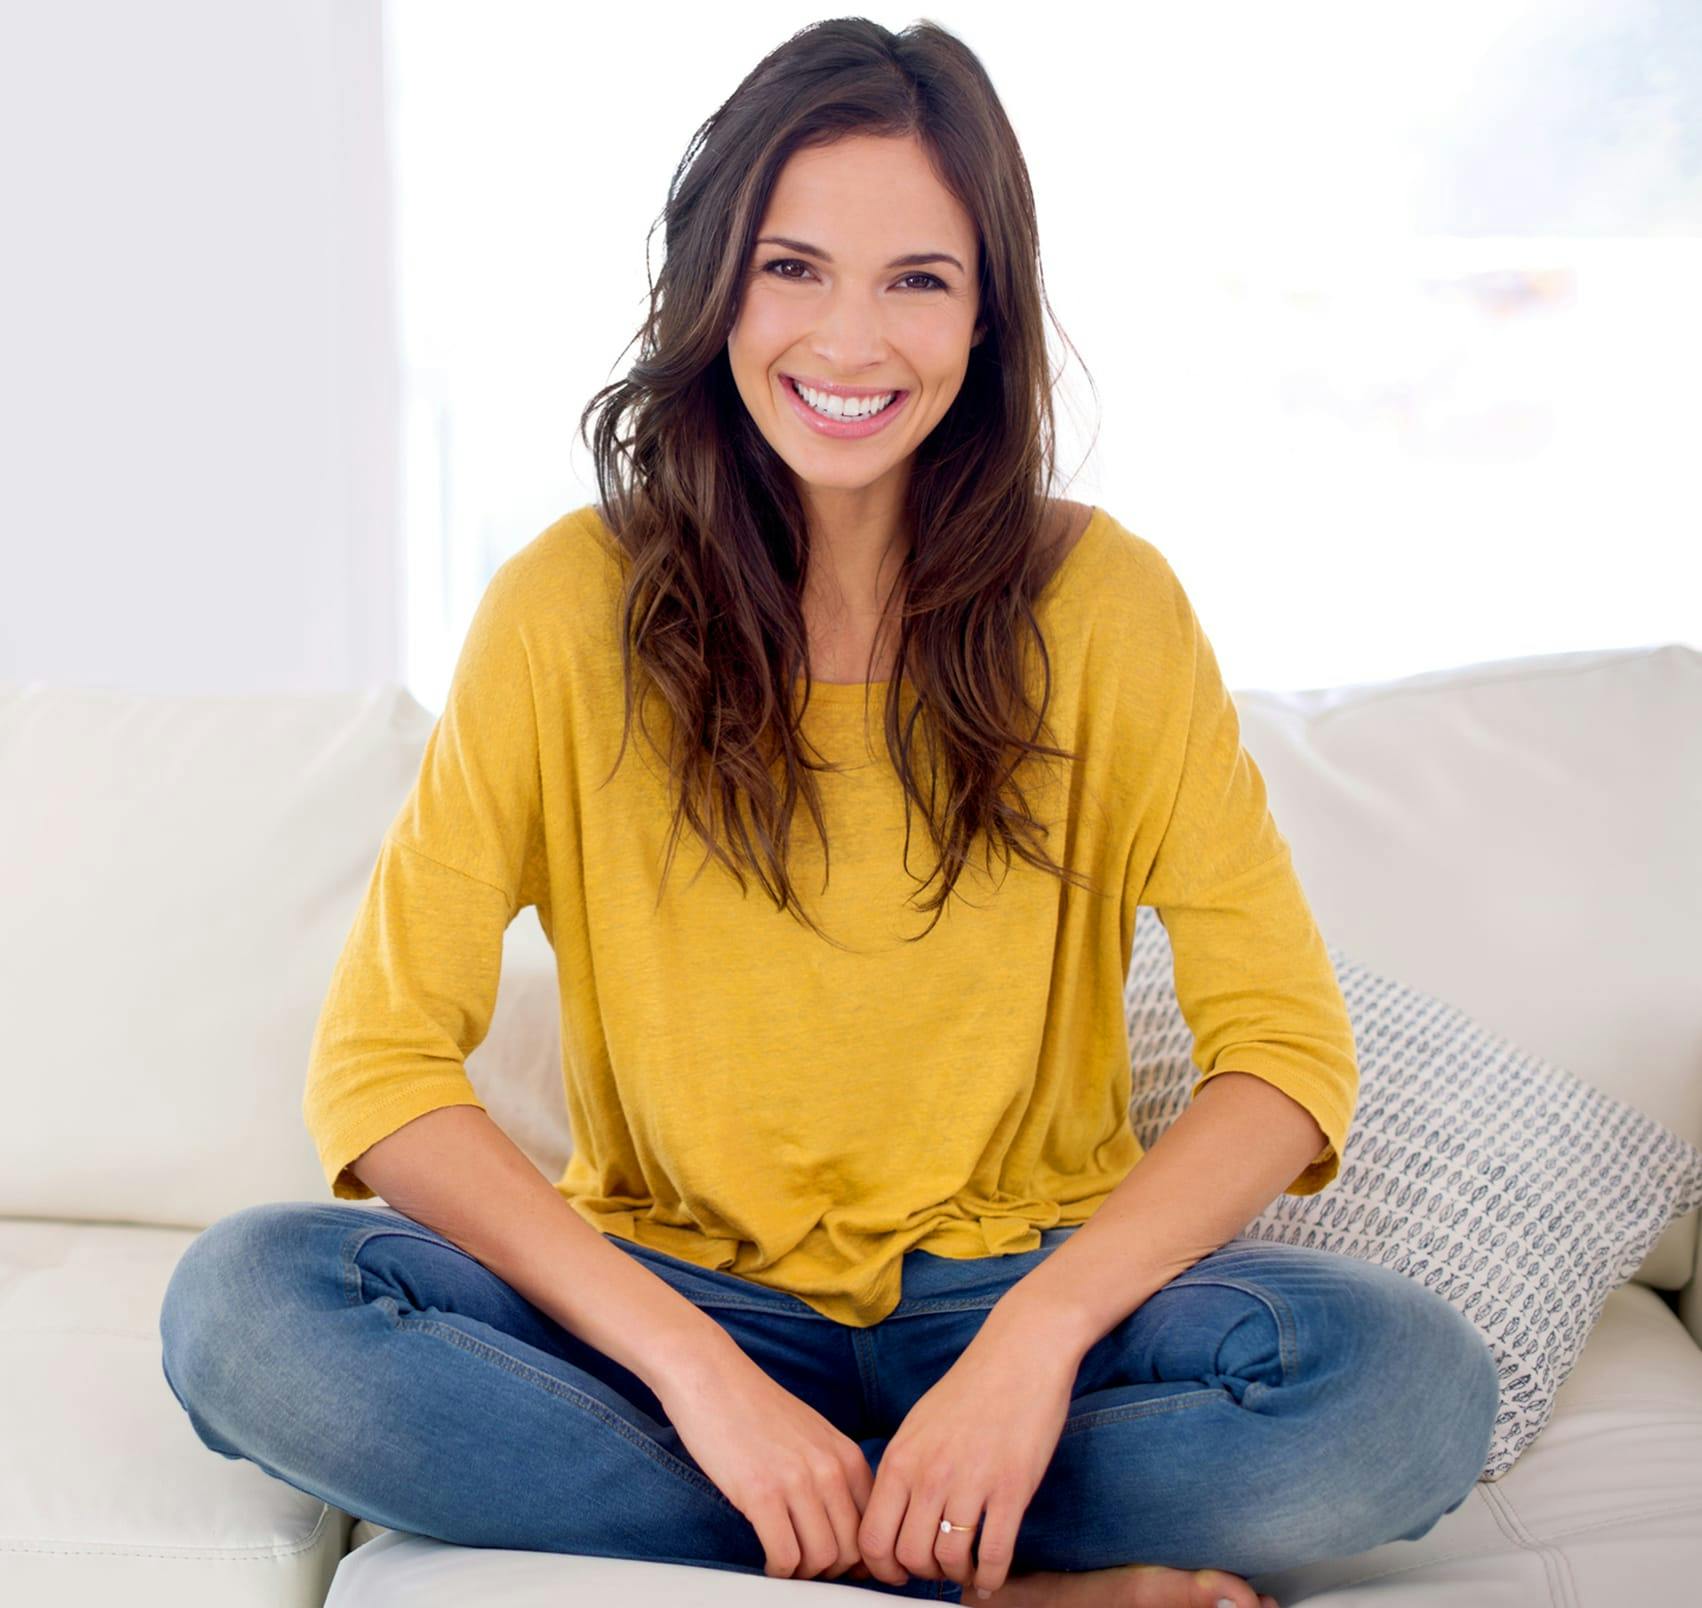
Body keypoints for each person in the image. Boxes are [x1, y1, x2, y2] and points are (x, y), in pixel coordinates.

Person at [158, 19, 1498, 1608]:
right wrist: (702, 1382)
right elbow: (379, 1067)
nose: (848, 340)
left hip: (1013, 1295)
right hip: (679, 1306)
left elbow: (1282, 1053)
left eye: (915, 280)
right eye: (792, 268)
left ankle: (873, 1528)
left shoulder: (1104, 605)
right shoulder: (564, 611)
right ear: (712, 283)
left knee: (1407, 1393)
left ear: (986, 311)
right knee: (246, 1311)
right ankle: (979, 1571)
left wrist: (1035, 1342)